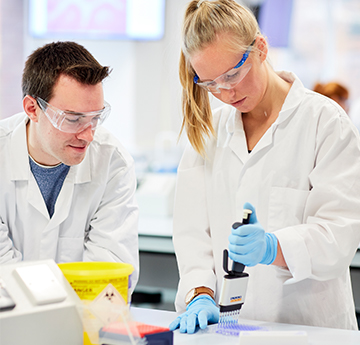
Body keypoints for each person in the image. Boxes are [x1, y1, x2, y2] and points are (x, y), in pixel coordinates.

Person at [169, 0, 360, 334]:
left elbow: (340, 235)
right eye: (210, 83)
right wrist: (199, 292)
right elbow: (192, 234)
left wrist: (275, 247)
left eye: (233, 74)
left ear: (260, 47)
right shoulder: (209, 132)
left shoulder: (324, 122)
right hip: (229, 330)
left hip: (310, 330)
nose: (226, 92)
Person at [0, 41, 139, 291]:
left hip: (83, 323)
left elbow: (109, 275)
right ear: (33, 108)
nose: (88, 135)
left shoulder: (112, 163)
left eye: (95, 118)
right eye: (73, 119)